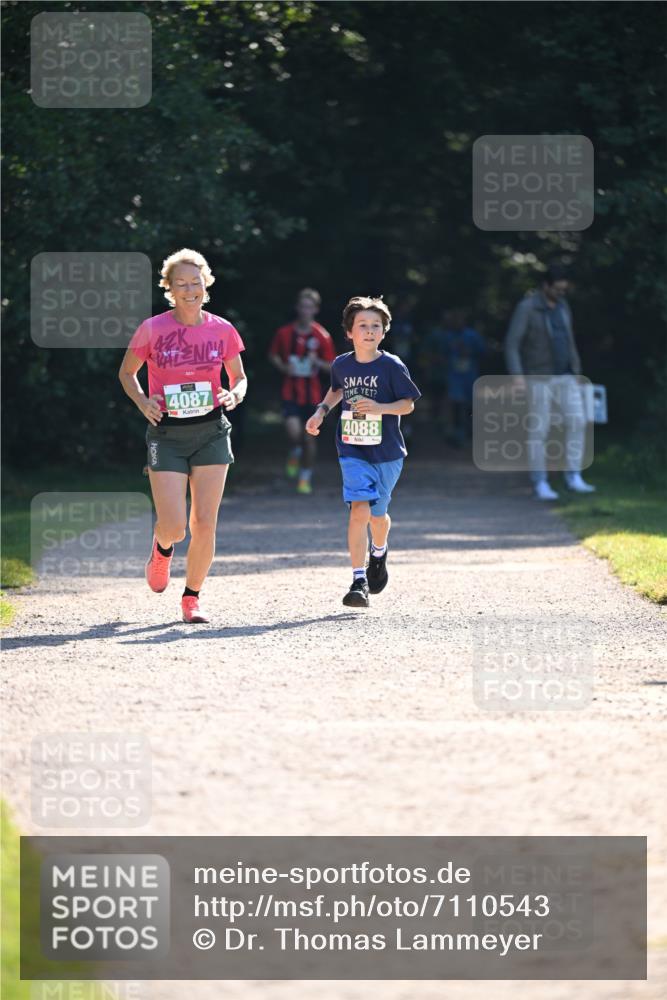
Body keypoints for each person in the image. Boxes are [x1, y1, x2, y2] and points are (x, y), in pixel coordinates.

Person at [119, 248, 247, 623]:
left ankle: (191, 598)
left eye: (195, 282)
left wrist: (233, 394)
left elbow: (238, 377)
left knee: (205, 521)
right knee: (175, 526)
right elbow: (127, 374)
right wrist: (143, 403)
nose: (189, 289)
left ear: (205, 284)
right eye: (181, 283)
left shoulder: (222, 329)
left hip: (211, 431)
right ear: (169, 289)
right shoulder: (152, 329)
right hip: (167, 435)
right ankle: (161, 548)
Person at [305, 295, 421, 608]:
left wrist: (381, 408)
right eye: (362, 325)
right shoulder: (341, 364)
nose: (369, 331)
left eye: (375, 326)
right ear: (349, 332)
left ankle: (379, 552)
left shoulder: (391, 365)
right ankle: (358, 580)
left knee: (377, 516)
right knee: (359, 510)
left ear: (384, 332)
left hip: (387, 453)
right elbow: (336, 389)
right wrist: (320, 412)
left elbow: (408, 404)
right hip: (352, 447)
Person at [505, 265, 595, 500]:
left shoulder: (564, 306)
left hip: (566, 376)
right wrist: (518, 377)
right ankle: (540, 482)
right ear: (545, 286)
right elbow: (512, 344)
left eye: (564, 290)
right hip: (538, 378)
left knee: (578, 421)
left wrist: (577, 372)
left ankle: (574, 476)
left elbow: (570, 340)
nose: (561, 294)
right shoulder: (526, 308)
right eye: (557, 289)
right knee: (539, 430)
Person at [268, 288, 336, 494]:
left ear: (315, 310)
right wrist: (283, 367)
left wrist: (318, 363)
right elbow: (273, 355)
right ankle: (295, 451)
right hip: (290, 392)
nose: (306, 310)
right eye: (302, 306)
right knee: (295, 433)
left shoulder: (322, 336)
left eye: (310, 307)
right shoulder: (284, 333)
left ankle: (305, 478)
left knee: (309, 438)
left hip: (313, 395)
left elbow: (333, 365)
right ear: (298, 308)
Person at [442, 308, 485, 447]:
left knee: (470, 405)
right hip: (455, 376)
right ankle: (457, 434)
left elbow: (483, 351)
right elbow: (442, 354)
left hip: (470, 375)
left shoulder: (472, 335)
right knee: (456, 404)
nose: (457, 323)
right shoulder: (448, 336)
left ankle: (471, 431)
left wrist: (469, 352)